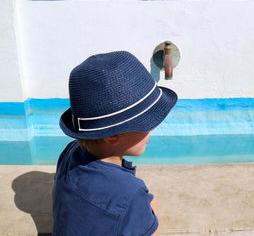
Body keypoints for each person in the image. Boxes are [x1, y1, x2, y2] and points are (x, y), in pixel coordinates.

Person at [52, 51, 178, 235]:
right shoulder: (129, 193)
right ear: (111, 137)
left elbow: (54, 192)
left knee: (147, 203)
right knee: (150, 207)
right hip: (128, 201)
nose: (152, 129)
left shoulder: (70, 152)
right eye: (146, 124)